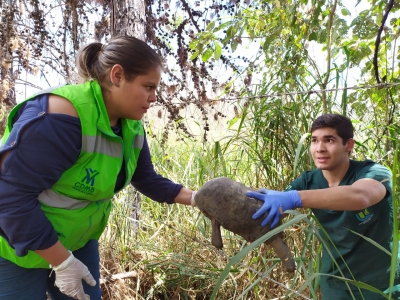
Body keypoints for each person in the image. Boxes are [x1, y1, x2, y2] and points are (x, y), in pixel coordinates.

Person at [0, 36, 196, 300]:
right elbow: (9, 197)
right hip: (16, 243)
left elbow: (146, 178)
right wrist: (62, 262)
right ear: (117, 76)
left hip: (77, 239)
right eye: (148, 86)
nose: (154, 97)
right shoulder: (61, 118)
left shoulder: (131, 125)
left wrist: (200, 199)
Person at [246, 114, 399, 300]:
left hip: (382, 282)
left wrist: (295, 198)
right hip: (335, 282)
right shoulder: (308, 181)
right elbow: (266, 211)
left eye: (329, 140)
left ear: (349, 145)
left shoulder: (373, 172)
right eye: (314, 140)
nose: (320, 148)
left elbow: (361, 196)